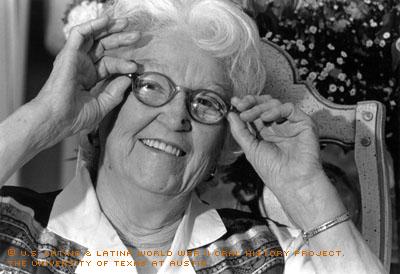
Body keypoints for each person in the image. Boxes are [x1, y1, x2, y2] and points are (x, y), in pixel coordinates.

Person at [0, 0, 385, 273]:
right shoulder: (17, 227)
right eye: (151, 86)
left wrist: (306, 191)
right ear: (103, 101)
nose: (175, 116)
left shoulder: (269, 255)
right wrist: (43, 118)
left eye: (207, 101)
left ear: (226, 140)